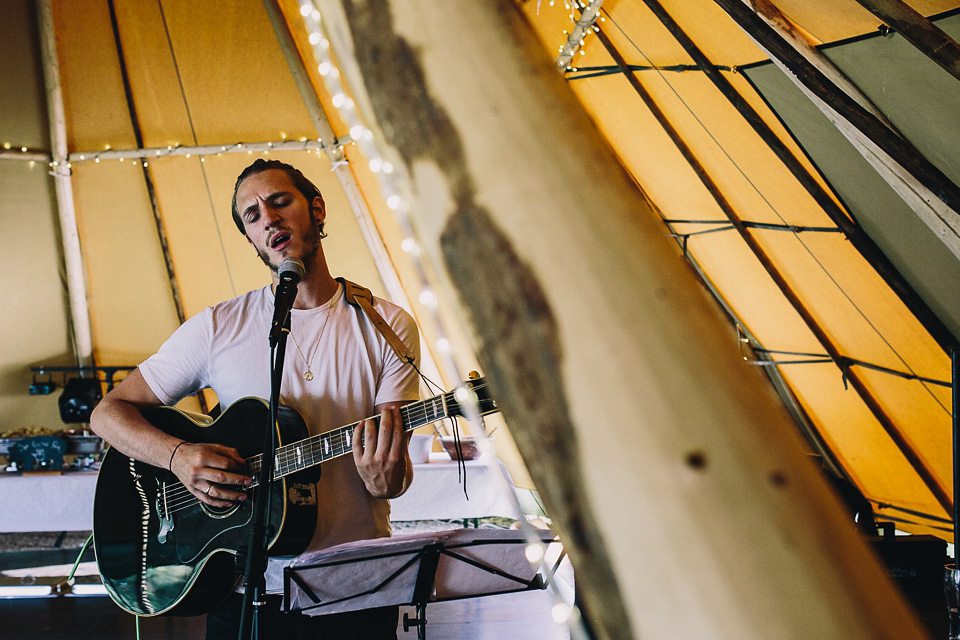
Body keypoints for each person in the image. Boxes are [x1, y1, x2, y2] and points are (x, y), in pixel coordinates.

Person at [90, 159, 420, 639]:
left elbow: (393, 470)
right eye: (251, 215)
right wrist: (179, 457)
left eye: (280, 200)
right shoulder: (218, 326)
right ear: (250, 239)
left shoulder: (387, 326)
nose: (268, 217)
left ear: (318, 209)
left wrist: (387, 478)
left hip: (356, 589)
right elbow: (107, 414)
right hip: (246, 594)